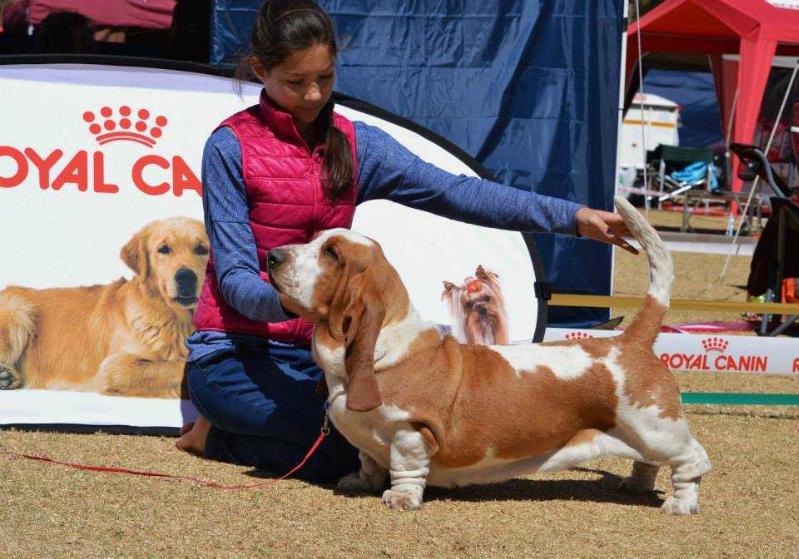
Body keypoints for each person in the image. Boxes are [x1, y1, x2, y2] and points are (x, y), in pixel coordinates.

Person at [176, 0, 635, 483]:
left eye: (325, 78)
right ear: (260, 70)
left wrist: (574, 217)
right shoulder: (229, 146)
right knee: (351, 453)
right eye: (295, 82)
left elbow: (458, 192)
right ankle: (215, 435)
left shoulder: (358, 145)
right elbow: (232, 280)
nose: (313, 94)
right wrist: (301, 303)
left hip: (329, 356)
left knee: (399, 448)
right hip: (234, 355)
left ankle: (235, 431)